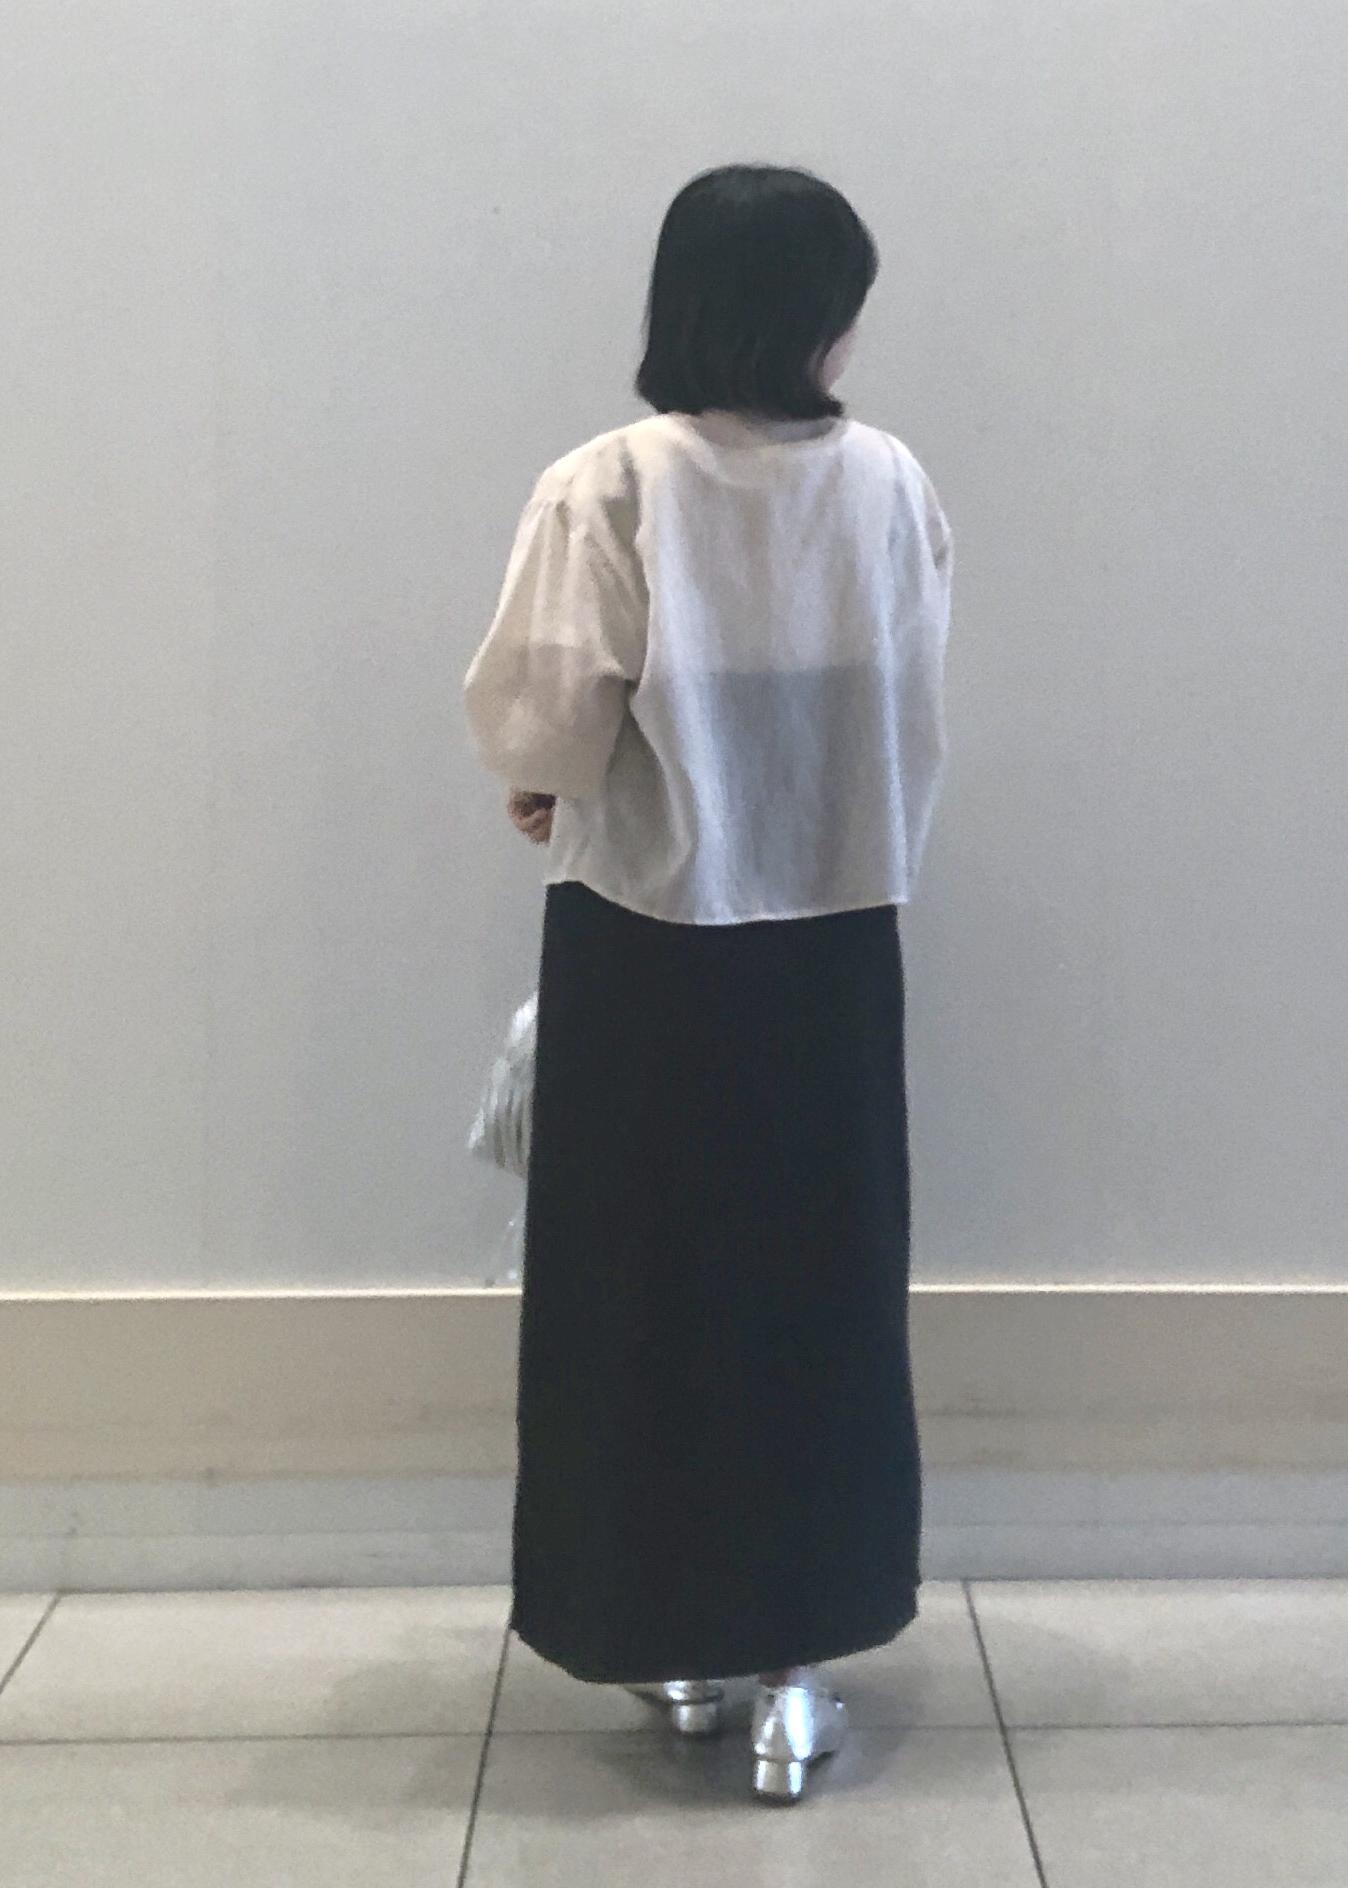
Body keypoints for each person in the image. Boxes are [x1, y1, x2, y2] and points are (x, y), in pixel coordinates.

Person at [464, 162, 953, 1804]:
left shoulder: (608, 486)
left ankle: (664, 1633)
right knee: (817, 1288)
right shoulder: (886, 482)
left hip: (649, 942)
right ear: (817, 317)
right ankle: (798, 1661)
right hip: (833, 941)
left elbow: (546, 718)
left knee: (642, 1288)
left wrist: (549, 783)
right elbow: (898, 690)